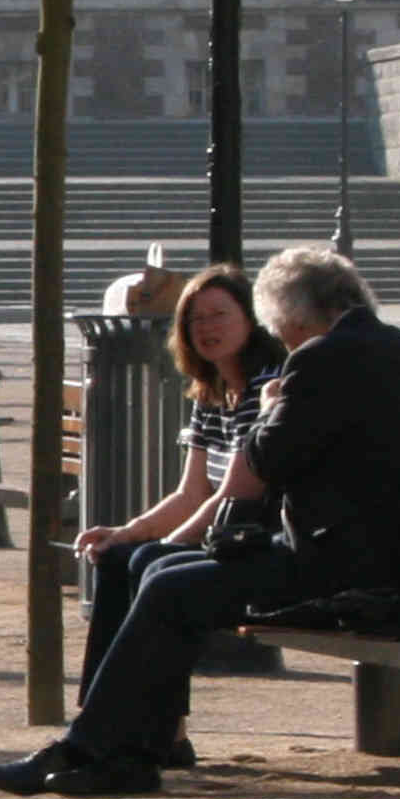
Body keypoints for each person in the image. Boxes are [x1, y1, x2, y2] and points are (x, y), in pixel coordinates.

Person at [0, 246, 400, 797]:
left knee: (171, 585)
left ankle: (97, 749)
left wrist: (275, 406)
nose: (286, 340)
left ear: (292, 316)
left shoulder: (318, 361)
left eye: (283, 328)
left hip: (335, 573)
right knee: (161, 572)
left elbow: (256, 473)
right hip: (392, 565)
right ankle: (132, 748)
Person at [68, 264, 282, 770]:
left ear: (251, 321)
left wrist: (168, 546)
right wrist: (126, 532)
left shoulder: (265, 388)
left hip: (259, 541)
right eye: (193, 320)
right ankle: (157, 728)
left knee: (151, 567)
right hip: (226, 532)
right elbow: (191, 493)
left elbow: (231, 494)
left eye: (219, 316)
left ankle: (129, 728)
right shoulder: (211, 392)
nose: (206, 328)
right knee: (118, 557)